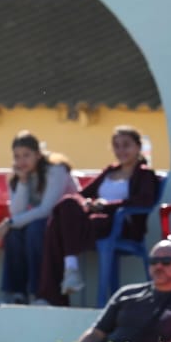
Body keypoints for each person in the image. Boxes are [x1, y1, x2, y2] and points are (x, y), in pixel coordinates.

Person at [37, 126, 160, 306]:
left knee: (57, 227)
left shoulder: (145, 174)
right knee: (66, 206)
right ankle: (68, 273)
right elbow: (81, 194)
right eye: (117, 145)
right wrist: (88, 204)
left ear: (138, 147)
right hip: (94, 221)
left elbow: (143, 201)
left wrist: (106, 206)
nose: (121, 150)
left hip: (119, 225)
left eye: (126, 145)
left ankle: (58, 287)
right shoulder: (109, 171)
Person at [0, 130, 78, 304]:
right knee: (14, 234)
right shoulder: (17, 176)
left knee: (34, 229)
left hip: (67, 225)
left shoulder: (56, 170)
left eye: (26, 155)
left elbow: (46, 210)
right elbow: (17, 212)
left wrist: (8, 223)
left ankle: (40, 292)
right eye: (17, 156)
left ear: (38, 155)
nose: (21, 161)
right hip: (42, 222)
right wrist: (23, 182)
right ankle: (16, 292)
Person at [72, 239, 171, 342]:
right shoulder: (126, 293)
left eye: (166, 262)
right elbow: (96, 332)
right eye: (153, 261)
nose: (158, 266)